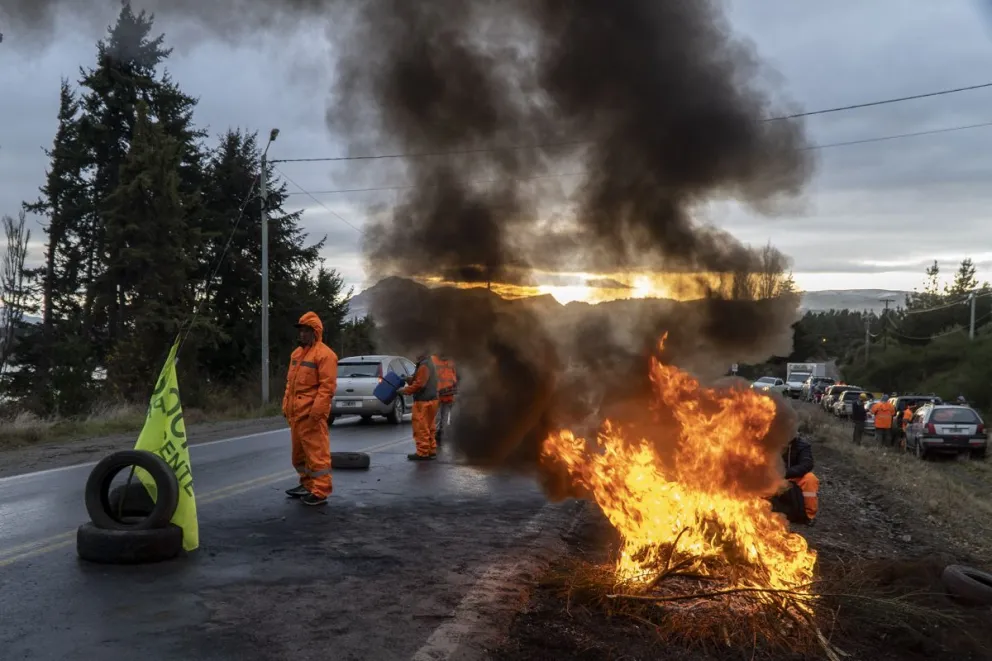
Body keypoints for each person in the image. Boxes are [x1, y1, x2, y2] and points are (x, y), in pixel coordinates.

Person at [282, 311, 338, 506]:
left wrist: (316, 413)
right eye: (301, 330)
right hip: (296, 415)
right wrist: (285, 405)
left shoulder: (325, 355)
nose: (303, 334)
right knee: (299, 455)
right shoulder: (296, 354)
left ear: (315, 332)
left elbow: (327, 388)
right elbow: (291, 384)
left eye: (307, 331)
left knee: (317, 454)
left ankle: (320, 490)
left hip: (311, 415)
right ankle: (306, 484)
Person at [771, 435, 819, 525]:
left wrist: (784, 473)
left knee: (810, 479)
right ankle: (757, 511)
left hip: (793, 476)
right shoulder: (770, 441)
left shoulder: (802, 445)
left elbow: (807, 464)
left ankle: (809, 516)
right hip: (772, 476)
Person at [400, 352, 439, 461]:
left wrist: (405, 390)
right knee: (430, 427)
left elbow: (420, 384)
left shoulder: (424, 365)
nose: (415, 355)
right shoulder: (429, 363)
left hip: (423, 402)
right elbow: (421, 379)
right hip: (432, 400)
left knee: (421, 427)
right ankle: (431, 450)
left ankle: (422, 452)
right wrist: (410, 379)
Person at [432, 353, 458, 445]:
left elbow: (454, 376)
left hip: (447, 393)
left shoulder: (447, 361)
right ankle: (436, 433)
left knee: (444, 415)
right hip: (439, 393)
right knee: (439, 416)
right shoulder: (434, 360)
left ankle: (441, 433)